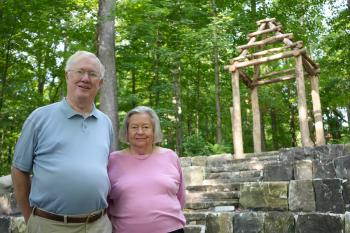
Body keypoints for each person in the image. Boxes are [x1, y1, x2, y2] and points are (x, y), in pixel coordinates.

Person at [11, 51, 114, 233]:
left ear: (101, 83)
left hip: (98, 225)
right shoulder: (39, 118)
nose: (85, 78)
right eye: (80, 71)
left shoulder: (105, 123)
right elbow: (19, 169)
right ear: (67, 75)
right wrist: (31, 219)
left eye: (92, 74)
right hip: (50, 225)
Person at [108, 106, 186, 233]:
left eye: (145, 127)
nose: (140, 132)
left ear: (154, 131)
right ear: (127, 132)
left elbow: (181, 197)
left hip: (171, 230)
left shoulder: (170, 156)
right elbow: (106, 201)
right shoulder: (113, 160)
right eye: (134, 127)